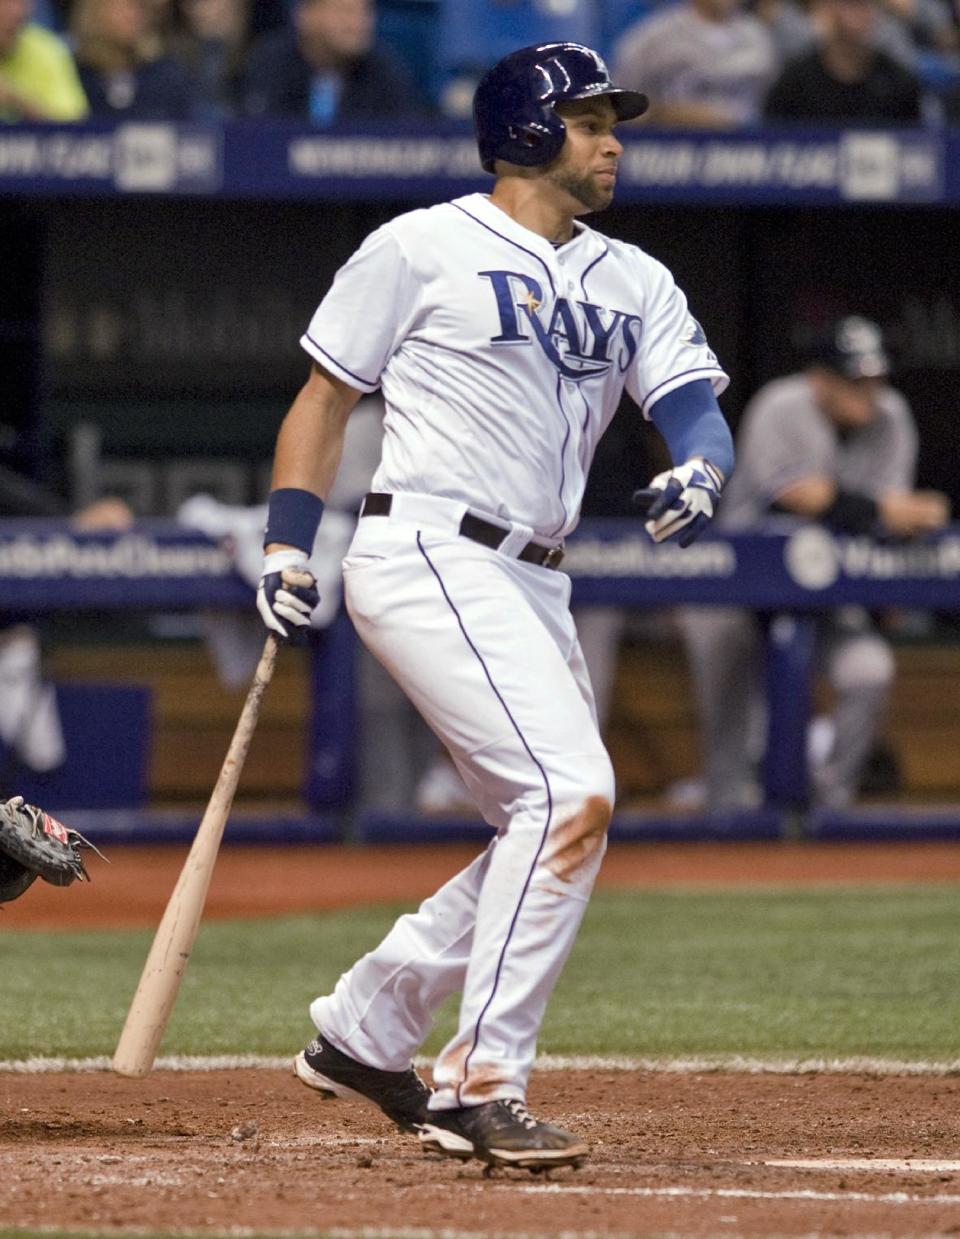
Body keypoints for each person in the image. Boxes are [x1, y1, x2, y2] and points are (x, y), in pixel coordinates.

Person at [255, 42, 734, 1172]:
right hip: (425, 544)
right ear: (526, 130)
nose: (613, 138)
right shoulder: (420, 246)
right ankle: (479, 1086)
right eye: (589, 119)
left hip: (536, 574)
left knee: (553, 817)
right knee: (570, 795)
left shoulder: (637, 277)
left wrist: (703, 468)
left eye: (615, 119)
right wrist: (284, 540)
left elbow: (693, 405)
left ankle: (366, 1028)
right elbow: (325, 399)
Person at [681, 316, 949, 813]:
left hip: (824, 593)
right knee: (730, 737)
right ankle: (723, 838)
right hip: (736, 587)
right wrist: (889, 511)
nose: (868, 392)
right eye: (854, 380)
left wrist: (894, 516)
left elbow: (896, 512)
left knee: (868, 671)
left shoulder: (892, 416)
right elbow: (799, 493)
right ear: (820, 378)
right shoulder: (783, 405)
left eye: (874, 379)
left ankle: (828, 809)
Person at [240, 0, 425, 123]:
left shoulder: (383, 67)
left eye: (364, 12)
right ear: (306, 16)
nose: (356, 23)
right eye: (344, 11)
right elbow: (257, 139)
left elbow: (406, 138)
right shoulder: (272, 60)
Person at [612, 0, 778, 128]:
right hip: (668, 151)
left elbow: (775, 109)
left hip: (746, 152)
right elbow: (617, 105)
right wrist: (661, 112)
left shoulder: (760, 38)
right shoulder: (653, 37)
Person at [764, 0, 923, 122]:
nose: (862, 16)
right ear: (827, 13)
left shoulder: (898, 82)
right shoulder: (795, 81)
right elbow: (771, 138)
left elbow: (918, 142)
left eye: (868, 6)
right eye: (852, 5)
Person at [71, 0, 200, 121]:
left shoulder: (167, 77)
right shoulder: (72, 74)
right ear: (93, 15)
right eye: (121, 8)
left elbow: (195, 131)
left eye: (138, 8)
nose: (131, 17)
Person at [0, 0, 88, 121]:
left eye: (21, 3)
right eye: (4, 4)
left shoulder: (48, 49)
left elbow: (75, 128)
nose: (16, 12)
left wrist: (14, 99)